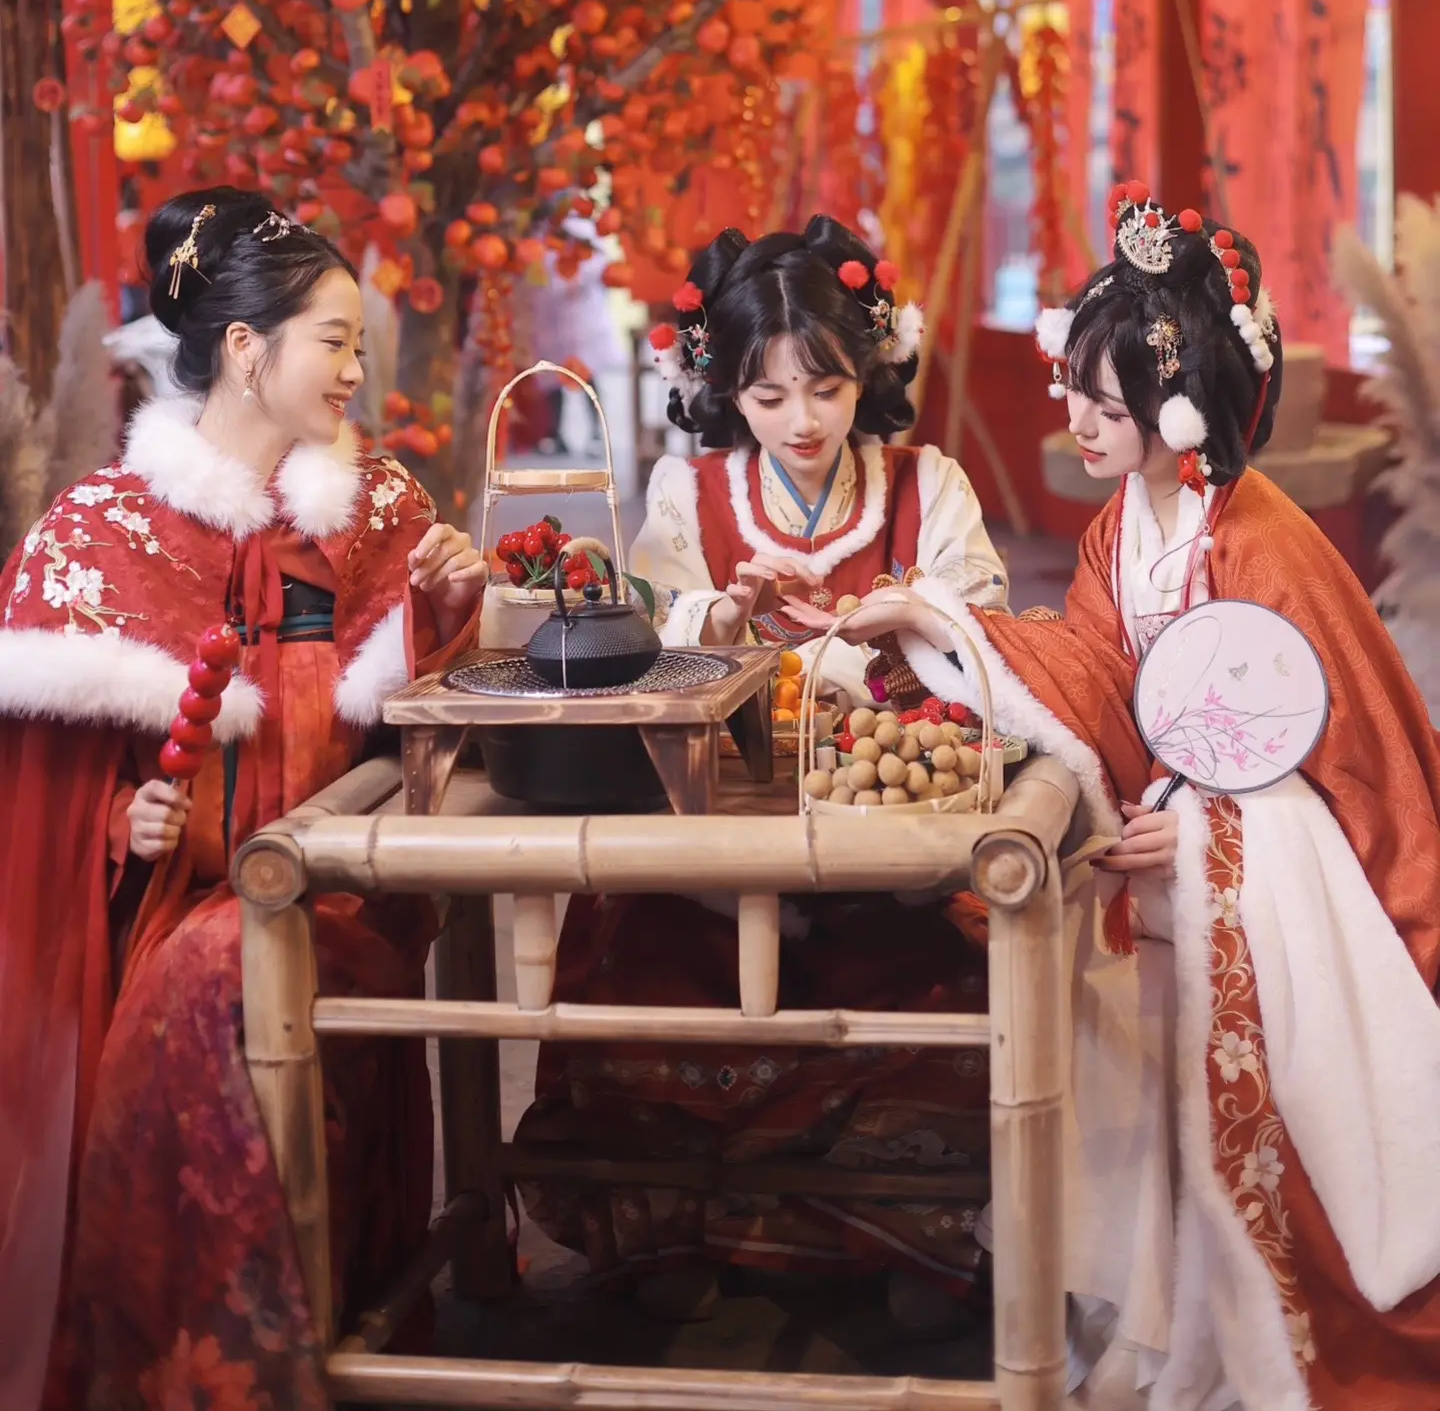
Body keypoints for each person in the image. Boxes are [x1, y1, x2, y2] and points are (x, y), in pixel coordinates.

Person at [791, 183, 1440, 1408]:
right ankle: (1185, 1324)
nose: (1077, 418)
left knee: (1256, 1127)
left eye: (1106, 400)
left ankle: (1265, 1332)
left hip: (1282, 877)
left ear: (1177, 404)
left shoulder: (1262, 542)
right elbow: (1095, 667)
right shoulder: (1125, 524)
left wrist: (1194, 827)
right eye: (1073, 388)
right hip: (1178, 853)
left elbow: (1335, 756)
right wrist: (936, 622)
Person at [0, 188, 488, 1410]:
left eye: (359, 344)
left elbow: (440, 725)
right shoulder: (100, 530)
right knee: (216, 971)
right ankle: (212, 1370)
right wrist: (123, 826)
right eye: (335, 341)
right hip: (178, 910)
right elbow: (47, 803)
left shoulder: (382, 509)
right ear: (244, 348)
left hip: (350, 892)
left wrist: (449, 606)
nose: (356, 371)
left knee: (240, 961)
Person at [516, 217, 1010, 1334]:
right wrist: (718, 619)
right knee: (639, 981)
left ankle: (902, 1227)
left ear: (870, 370)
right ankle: (675, 1231)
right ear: (724, 388)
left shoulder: (929, 486)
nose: (801, 421)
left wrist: (911, 613)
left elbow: (986, 632)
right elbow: (646, 644)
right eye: (769, 394)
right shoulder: (686, 496)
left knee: (952, 993)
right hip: (714, 842)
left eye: (826, 389)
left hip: (889, 840)